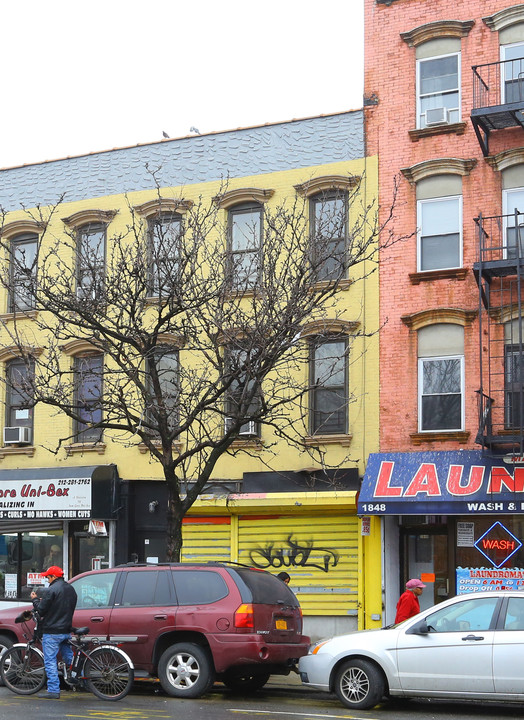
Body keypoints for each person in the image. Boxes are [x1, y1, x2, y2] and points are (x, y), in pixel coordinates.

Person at [30, 565, 77, 700]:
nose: (47, 580)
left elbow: (42, 610)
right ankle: (78, 678)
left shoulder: (52, 590)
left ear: (54, 577)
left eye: (48, 577)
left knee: (50, 660)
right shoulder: (70, 589)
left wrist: (34, 600)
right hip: (66, 630)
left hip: (52, 631)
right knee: (69, 658)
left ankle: (53, 690)